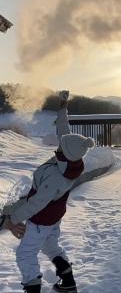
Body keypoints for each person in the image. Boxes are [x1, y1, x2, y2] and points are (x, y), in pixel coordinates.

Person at [1, 90, 95, 293]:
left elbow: (36, 203)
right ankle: (68, 282)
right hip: (54, 216)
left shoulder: (56, 177)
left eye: (61, 146)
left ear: (64, 152)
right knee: (50, 245)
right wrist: (63, 106)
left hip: (41, 219)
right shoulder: (72, 160)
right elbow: (65, 132)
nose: (58, 146)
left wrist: (13, 220)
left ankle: (33, 289)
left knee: (25, 255)